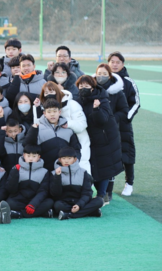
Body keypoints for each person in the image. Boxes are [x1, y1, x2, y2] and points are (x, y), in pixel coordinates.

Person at [76, 75, 123, 204]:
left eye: (86, 86)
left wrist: (96, 109)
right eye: (81, 86)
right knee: (92, 166)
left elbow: (103, 120)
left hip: (104, 139)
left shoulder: (101, 99)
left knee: (103, 167)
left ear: (93, 87)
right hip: (88, 138)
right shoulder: (77, 100)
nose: (83, 88)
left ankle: (102, 195)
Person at [38, 82, 90, 174]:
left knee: (80, 174)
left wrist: (68, 124)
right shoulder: (43, 108)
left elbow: (82, 124)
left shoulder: (72, 104)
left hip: (78, 143)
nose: (49, 94)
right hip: (56, 148)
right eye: (46, 93)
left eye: (52, 91)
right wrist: (36, 108)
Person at [107, 52, 140, 196]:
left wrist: (126, 118)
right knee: (108, 154)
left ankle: (129, 183)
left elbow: (136, 102)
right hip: (107, 125)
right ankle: (109, 183)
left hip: (123, 125)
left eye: (118, 62)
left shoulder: (128, 81)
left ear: (122, 64)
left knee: (127, 154)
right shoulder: (104, 79)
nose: (115, 64)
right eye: (112, 62)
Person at [23, 98, 81, 171]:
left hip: (64, 171)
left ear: (59, 112)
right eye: (49, 111)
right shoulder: (37, 128)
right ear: (44, 113)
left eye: (55, 111)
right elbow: (27, 145)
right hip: (44, 171)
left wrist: (74, 163)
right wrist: (33, 130)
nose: (52, 114)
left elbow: (76, 149)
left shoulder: (68, 129)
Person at [51, 147, 104, 220]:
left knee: (99, 201)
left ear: (75, 159)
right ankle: (90, 212)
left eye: (69, 158)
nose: (66, 161)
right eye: (63, 158)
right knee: (57, 205)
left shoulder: (83, 172)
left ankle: (69, 215)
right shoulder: (54, 173)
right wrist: (57, 177)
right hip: (64, 203)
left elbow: (87, 193)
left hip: (80, 202)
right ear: (60, 160)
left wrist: (79, 205)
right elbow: (55, 194)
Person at [5, 145, 53, 219]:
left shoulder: (44, 171)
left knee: (49, 202)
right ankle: (41, 213)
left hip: (35, 201)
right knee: (9, 203)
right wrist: (14, 173)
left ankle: (19, 214)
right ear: (24, 155)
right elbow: (11, 190)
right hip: (19, 200)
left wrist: (33, 204)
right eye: (28, 156)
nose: (31, 158)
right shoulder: (16, 168)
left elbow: (43, 191)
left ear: (39, 157)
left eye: (34, 156)